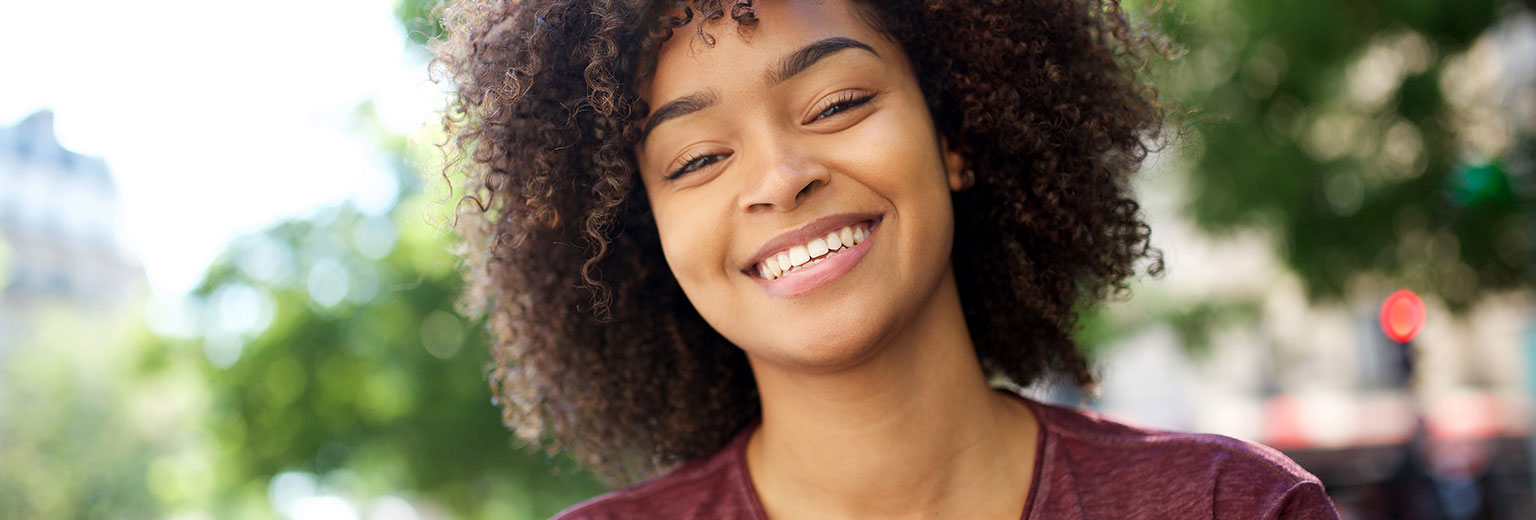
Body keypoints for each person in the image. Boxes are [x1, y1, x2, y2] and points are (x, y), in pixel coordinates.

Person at [433, 0, 1342, 518]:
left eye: (836, 103)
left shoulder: (1230, 508)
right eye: (699, 160)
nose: (781, 179)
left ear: (954, 134)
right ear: (652, 238)